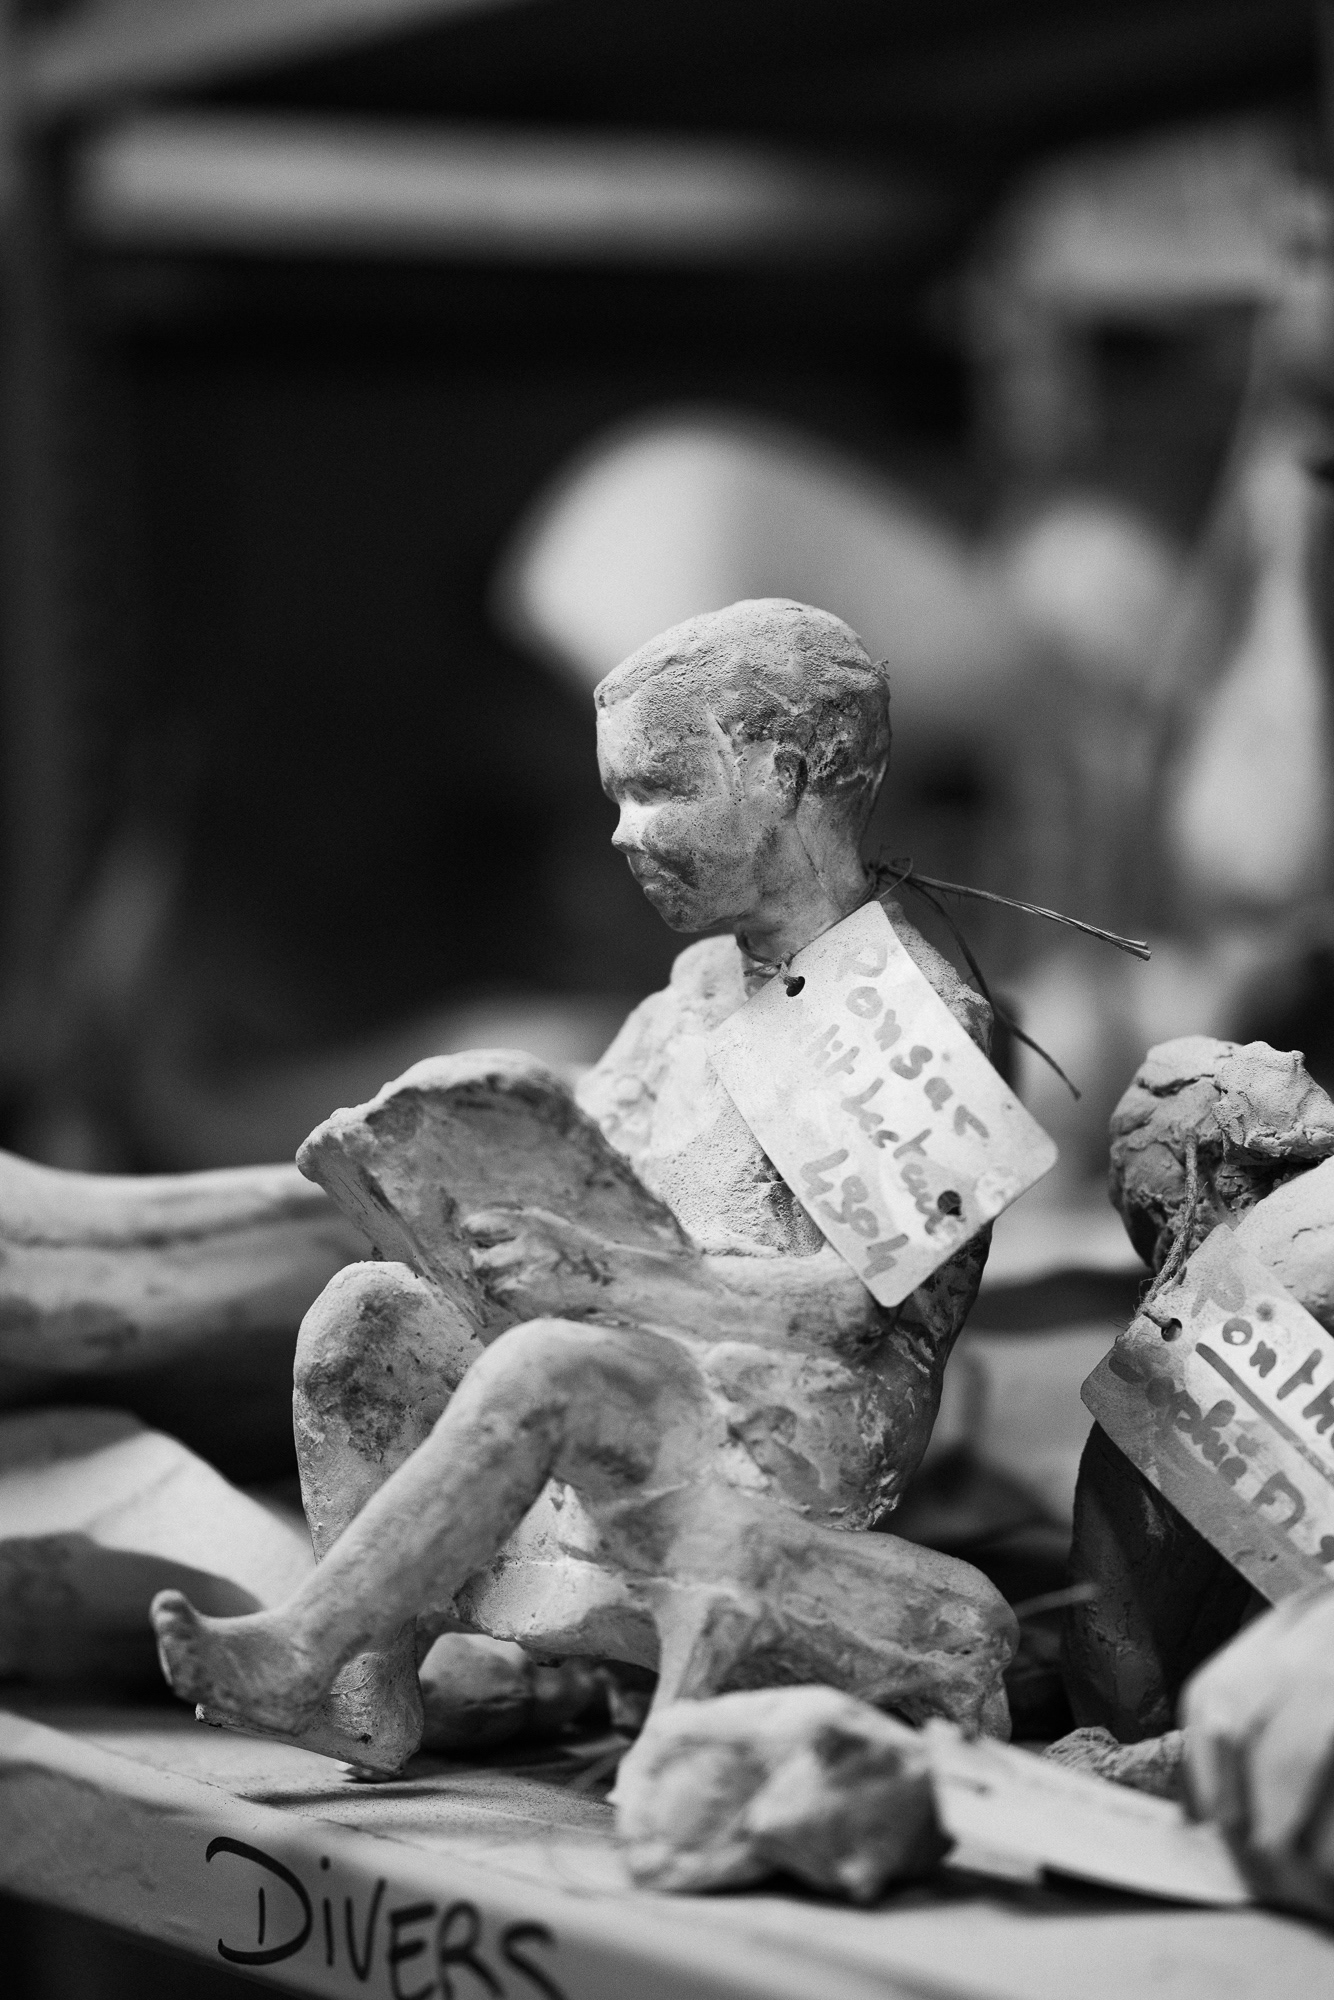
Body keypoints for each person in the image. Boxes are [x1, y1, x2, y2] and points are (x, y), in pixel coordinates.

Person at [149, 598, 1015, 1768]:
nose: (621, 833)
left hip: (789, 1412)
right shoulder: (692, 991)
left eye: (655, 790)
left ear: (783, 773)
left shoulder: (908, 1020)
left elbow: (855, 1312)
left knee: (552, 1366)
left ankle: (305, 1646)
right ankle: (363, 1686)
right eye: (615, 796)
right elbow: (593, 1164)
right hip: (639, 1347)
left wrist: (612, 1278)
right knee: (366, 1316)